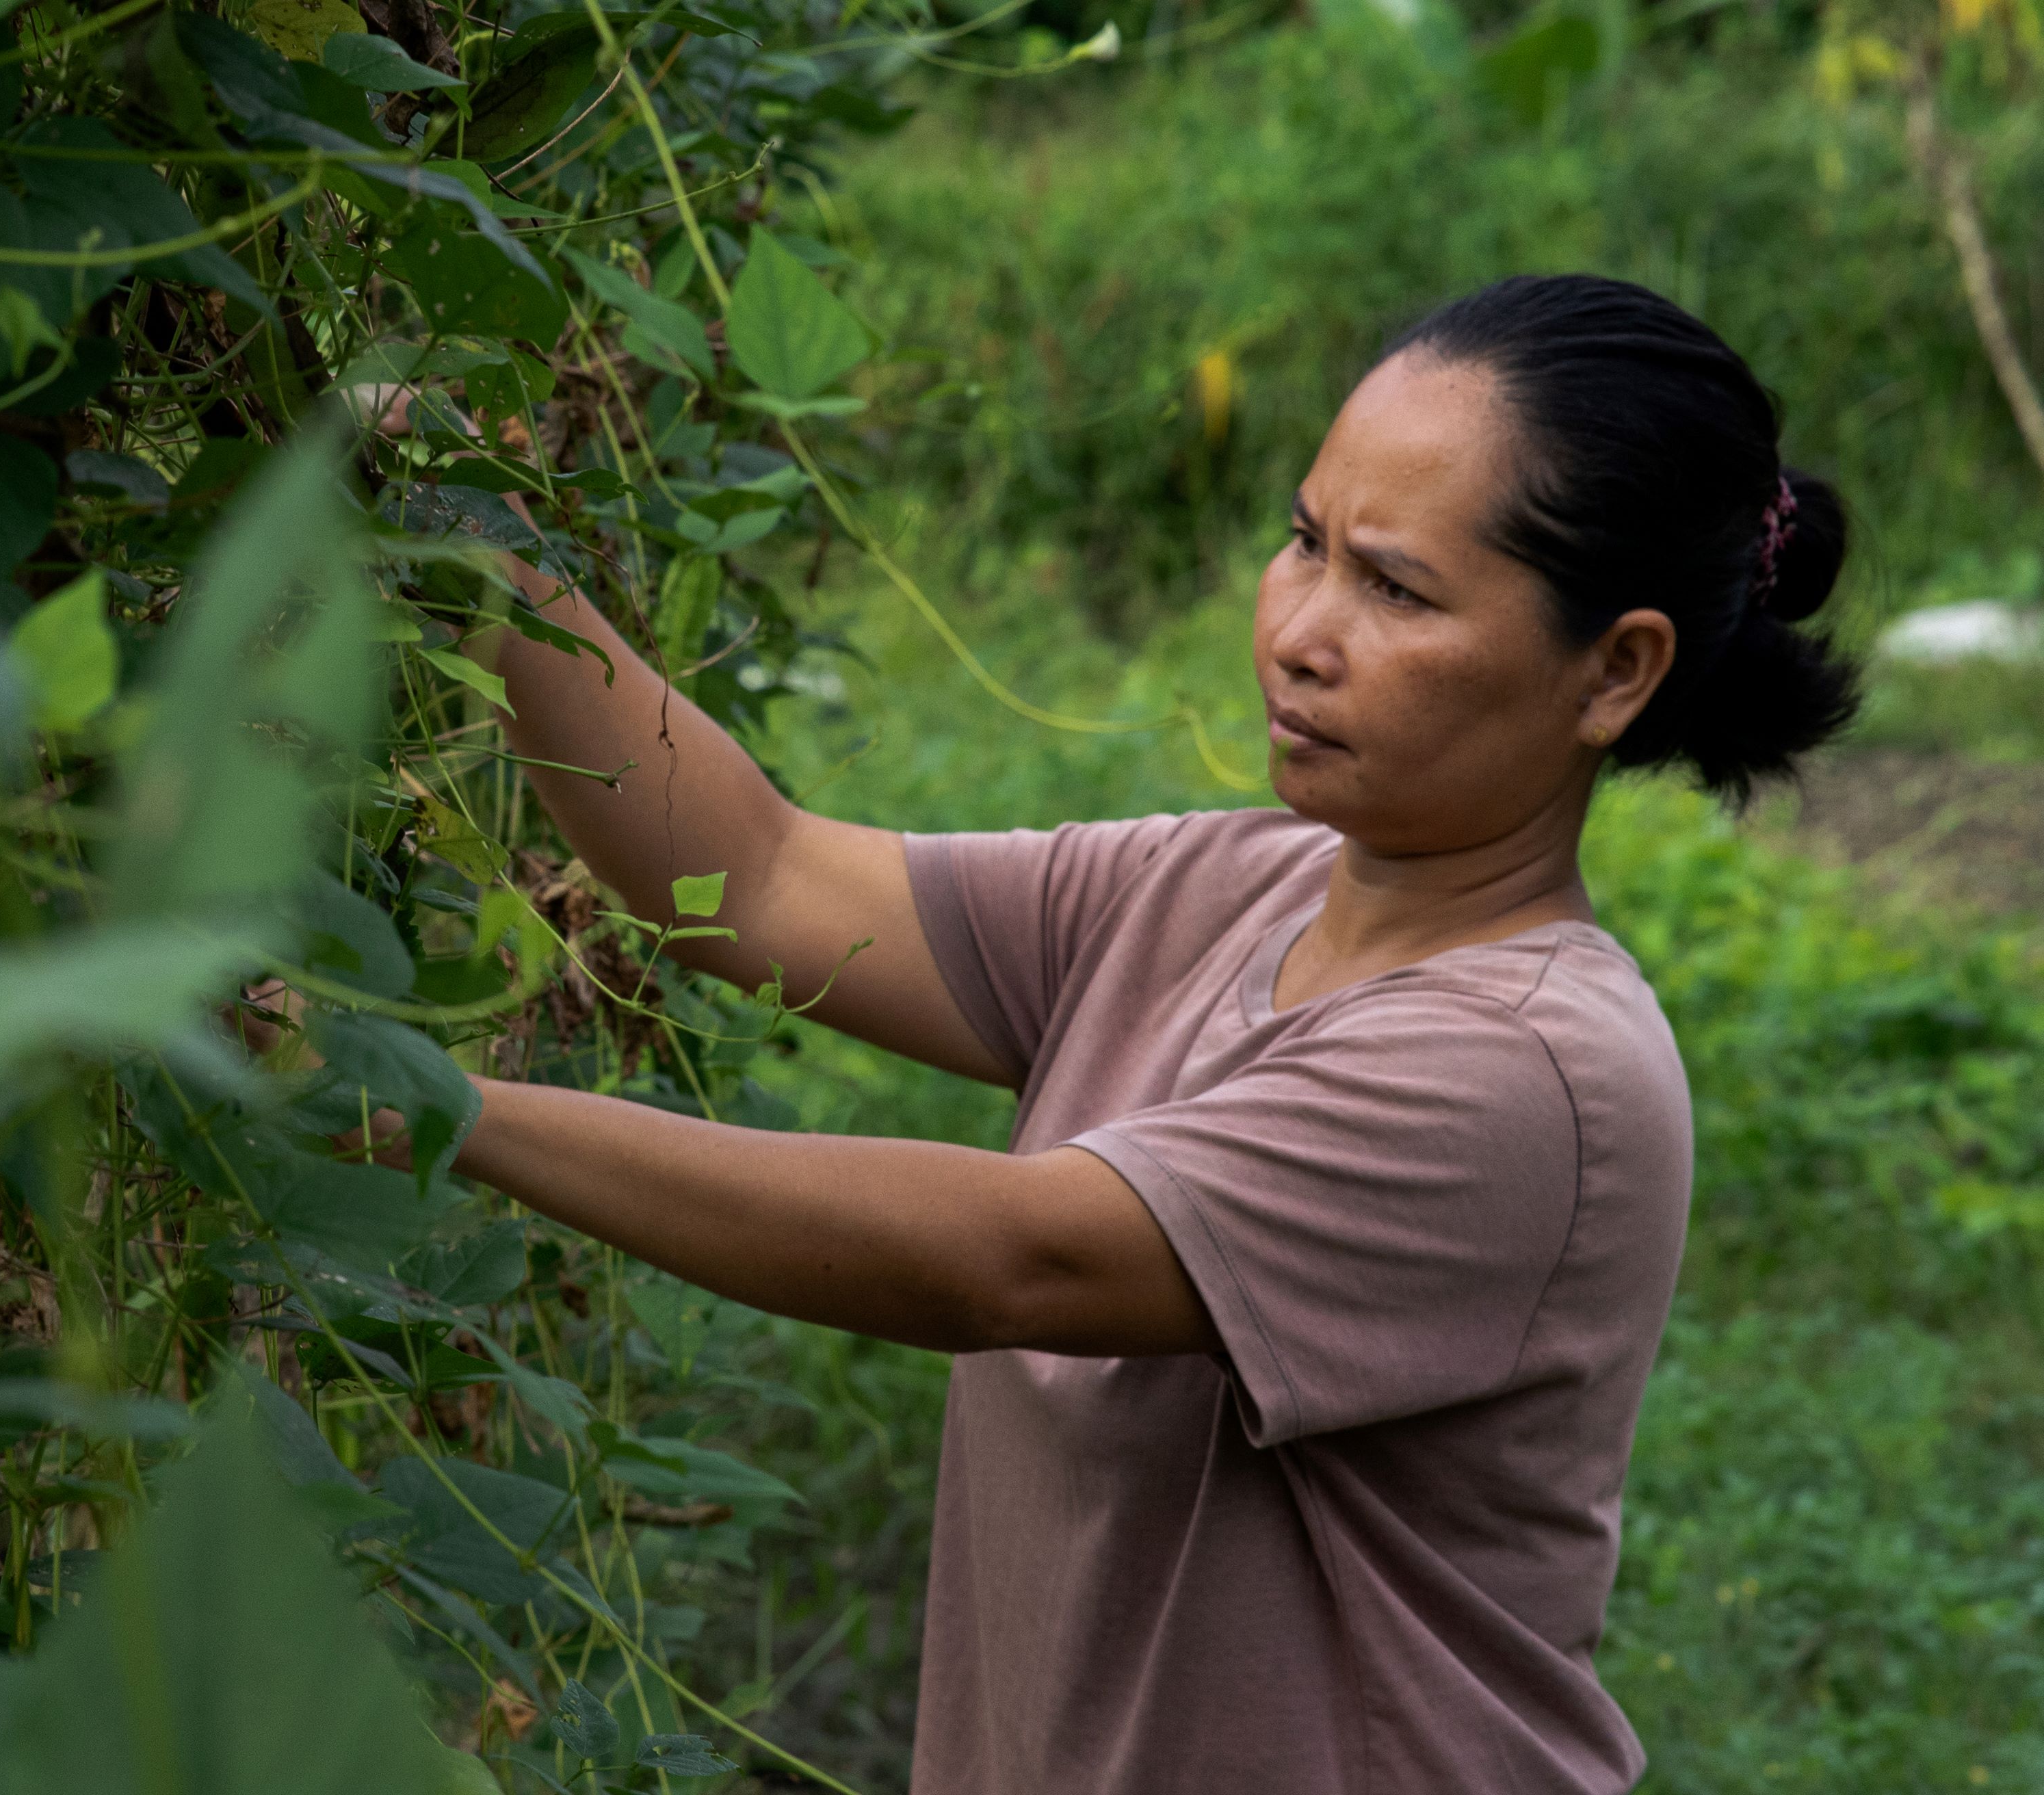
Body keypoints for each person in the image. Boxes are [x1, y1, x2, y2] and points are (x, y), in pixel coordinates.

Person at [428, 274, 1861, 1792]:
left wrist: (454, 1110)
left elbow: (1008, 1259)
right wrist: (470, 534)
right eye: (1305, 542)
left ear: (1616, 670)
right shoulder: (1219, 887)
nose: (1303, 630)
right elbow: (761, 883)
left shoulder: (1530, 1073)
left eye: (1398, 590)